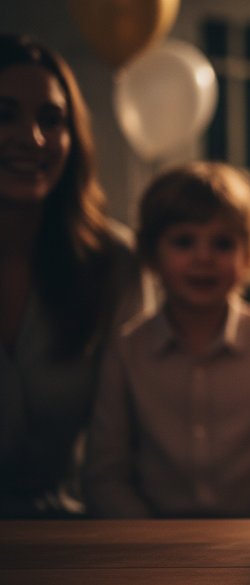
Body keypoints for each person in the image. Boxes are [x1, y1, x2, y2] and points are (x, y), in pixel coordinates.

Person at [84, 162, 250, 517]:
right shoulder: (126, 351)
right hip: (150, 550)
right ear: (151, 254)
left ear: (248, 255)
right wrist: (147, 539)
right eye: (184, 241)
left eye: (223, 243)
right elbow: (105, 475)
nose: (204, 257)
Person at [0, 34, 148, 518]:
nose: (33, 137)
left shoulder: (113, 263)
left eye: (51, 119)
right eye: (6, 115)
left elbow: (128, 440)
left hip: (66, 531)